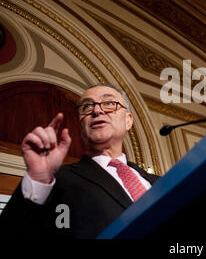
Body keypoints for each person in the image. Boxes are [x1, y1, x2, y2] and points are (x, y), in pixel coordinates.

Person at [0, 84, 159, 238]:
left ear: (128, 121)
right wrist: (38, 178)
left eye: (109, 103)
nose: (97, 110)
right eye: (87, 107)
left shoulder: (160, 182)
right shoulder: (58, 180)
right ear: (81, 125)